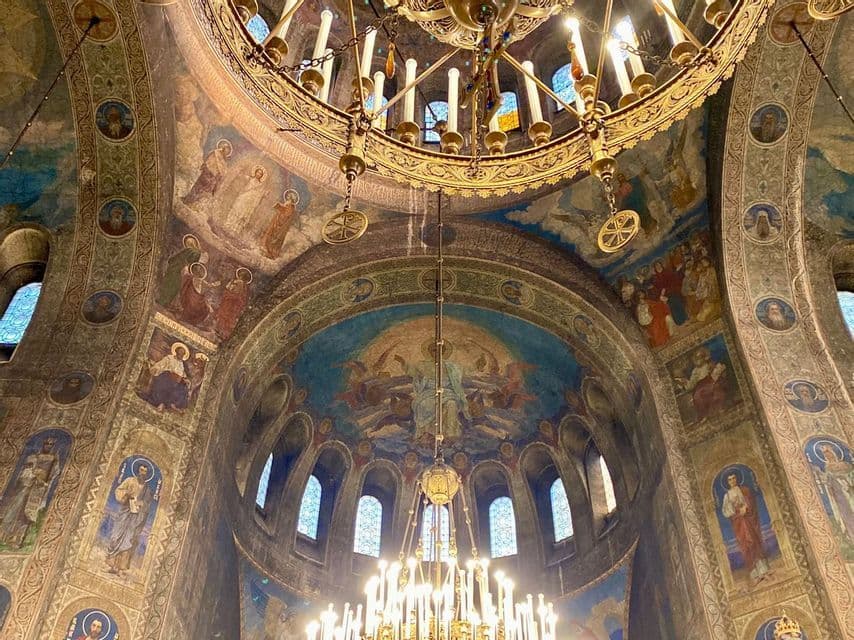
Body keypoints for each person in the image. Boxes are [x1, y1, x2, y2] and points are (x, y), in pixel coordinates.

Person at [0, 438, 59, 548]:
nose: (49, 446)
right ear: (43, 444)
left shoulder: (54, 458)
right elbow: (26, 472)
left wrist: (45, 480)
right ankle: (4, 534)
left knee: (27, 515)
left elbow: (53, 474)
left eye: (51, 444)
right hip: (25, 486)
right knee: (15, 509)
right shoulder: (33, 457)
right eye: (47, 443)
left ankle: (17, 539)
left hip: (37, 490)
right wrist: (33, 476)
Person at [720, 473, 772, 585]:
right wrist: (736, 511)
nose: (732, 480)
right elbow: (725, 511)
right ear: (727, 482)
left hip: (749, 520)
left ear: (736, 478)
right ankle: (755, 575)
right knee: (746, 545)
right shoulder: (727, 496)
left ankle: (764, 571)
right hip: (739, 523)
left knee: (755, 542)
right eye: (730, 479)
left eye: (734, 478)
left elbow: (752, 502)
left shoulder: (745, 490)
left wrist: (746, 507)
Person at [105, 462, 154, 577]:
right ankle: (112, 565)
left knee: (129, 541)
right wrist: (126, 494)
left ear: (147, 474)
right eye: (141, 471)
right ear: (138, 471)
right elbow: (118, 491)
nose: (142, 474)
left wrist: (141, 503)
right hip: (125, 513)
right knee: (116, 536)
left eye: (145, 472)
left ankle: (121, 569)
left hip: (135, 518)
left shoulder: (147, 489)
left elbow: (147, 504)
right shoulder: (129, 481)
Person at [814, 444, 854, 542]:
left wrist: (847, 483)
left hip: (850, 492)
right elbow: (828, 481)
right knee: (847, 515)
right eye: (826, 456)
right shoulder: (827, 468)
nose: (829, 457)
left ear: (834, 454)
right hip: (840, 497)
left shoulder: (845, 465)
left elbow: (851, 474)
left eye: (830, 454)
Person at [677, 347, 728, 419]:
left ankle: (719, 408)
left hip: (712, 383)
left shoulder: (710, 364)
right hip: (702, 387)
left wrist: (719, 372)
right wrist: (684, 383)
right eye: (694, 359)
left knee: (717, 390)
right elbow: (692, 384)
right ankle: (705, 415)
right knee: (698, 396)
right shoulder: (695, 371)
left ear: (705, 358)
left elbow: (718, 372)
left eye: (698, 358)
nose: (696, 361)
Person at [220, 165, 269, 241]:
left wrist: (265, 194)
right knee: (236, 209)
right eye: (258, 172)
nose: (258, 174)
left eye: (260, 174)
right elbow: (241, 177)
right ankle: (228, 225)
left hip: (249, 203)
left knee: (242, 215)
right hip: (243, 197)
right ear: (255, 172)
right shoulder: (249, 178)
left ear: (261, 176)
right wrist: (240, 172)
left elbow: (260, 194)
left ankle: (235, 230)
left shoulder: (260, 185)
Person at [182, 139, 233, 205]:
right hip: (206, 172)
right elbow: (209, 159)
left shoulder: (224, 164)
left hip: (211, 178)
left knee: (202, 191)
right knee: (197, 186)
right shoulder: (215, 153)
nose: (226, 151)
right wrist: (204, 165)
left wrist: (216, 185)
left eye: (227, 150)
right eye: (225, 148)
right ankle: (188, 199)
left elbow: (221, 174)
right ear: (223, 148)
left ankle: (192, 202)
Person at [157, 235, 203, 308]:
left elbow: (174, 259)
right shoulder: (195, 252)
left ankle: (164, 301)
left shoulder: (191, 251)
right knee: (174, 285)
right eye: (188, 243)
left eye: (190, 243)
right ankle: (165, 301)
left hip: (176, 269)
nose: (189, 245)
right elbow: (193, 264)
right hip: (178, 270)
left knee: (172, 284)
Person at [145, 342, 191, 411]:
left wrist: (185, 379)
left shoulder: (181, 364)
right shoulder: (169, 358)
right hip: (166, 377)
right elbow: (160, 365)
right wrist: (166, 370)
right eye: (180, 352)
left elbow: (182, 374)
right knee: (166, 382)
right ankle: (161, 403)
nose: (181, 355)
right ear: (176, 351)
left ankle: (172, 405)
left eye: (182, 354)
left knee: (183, 387)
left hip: (176, 381)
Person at [176, 262, 218, 326]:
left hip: (197, 297)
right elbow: (210, 285)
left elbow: (209, 285)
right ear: (195, 271)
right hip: (193, 297)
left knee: (206, 308)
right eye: (198, 270)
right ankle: (188, 319)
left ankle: (192, 320)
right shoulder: (191, 278)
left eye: (200, 270)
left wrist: (215, 284)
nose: (199, 272)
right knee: (199, 307)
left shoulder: (197, 279)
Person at [261, 189, 299, 259]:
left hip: (281, 227)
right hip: (276, 222)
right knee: (269, 235)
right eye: (288, 196)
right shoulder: (287, 204)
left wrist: (281, 208)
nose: (288, 198)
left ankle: (270, 253)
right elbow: (283, 211)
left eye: (290, 197)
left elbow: (287, 214)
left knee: (275, 239)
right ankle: (265, 249)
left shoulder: (292, 207)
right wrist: (280, 208)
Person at [215, 268, 251, 340]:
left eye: (242, 275)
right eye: (241, 275)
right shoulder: (245, 287)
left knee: (226, 316)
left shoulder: (238, 283)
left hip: (231, 302)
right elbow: (243, 298)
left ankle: (221, 331)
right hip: (233, 303)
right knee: (228, 317)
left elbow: (229, 288)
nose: (240, 276)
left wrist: (231, 287)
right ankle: (223, 333)